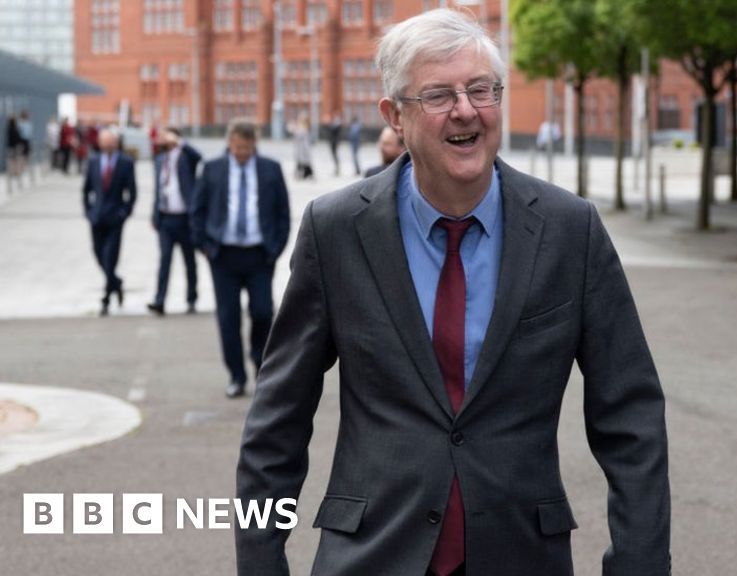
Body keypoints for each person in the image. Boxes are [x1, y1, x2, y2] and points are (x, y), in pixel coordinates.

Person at [235, 9, 670, 576]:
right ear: (394, 115)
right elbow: (278, 421)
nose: (466, 110)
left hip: (522, 554)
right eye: (438, 94)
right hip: (371, 555)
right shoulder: (336, 229)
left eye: (481, 89)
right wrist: (261, 564)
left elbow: (631, 416)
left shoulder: (570, 230)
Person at [191, 120, 290, 398]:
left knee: (262, 312)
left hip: (260, 255)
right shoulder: (213, 169)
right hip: (224, 256)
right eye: (237, 147)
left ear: (254, 144)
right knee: (228, 317)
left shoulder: (270, 169)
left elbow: (282, 211)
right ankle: (236, 375)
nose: (242, 153)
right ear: (229, 143)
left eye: (247, 147)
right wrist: (205, 247)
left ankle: (260, 364)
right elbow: (197, 210)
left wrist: (276, 248)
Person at [148, 128, 203, 316]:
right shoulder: (159, 160)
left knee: (189, 261)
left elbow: (199, 156)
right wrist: (155, 215)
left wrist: (180, 142)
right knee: (164, 260)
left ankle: (191, 298)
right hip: (166, 218)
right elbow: (158, 189)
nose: (163, 138)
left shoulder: (186, 157)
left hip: (185, 219)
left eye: (166, 135)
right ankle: (159, 300)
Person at [82, 128, 137, 316]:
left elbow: (132, 192)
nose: (107, 145)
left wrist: (124, 213)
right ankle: (116, 283)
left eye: (110, 142)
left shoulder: (126, 162)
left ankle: (106, 297)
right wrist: (88, 212)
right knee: (98, 254)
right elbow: (86, 189)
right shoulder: (93, 161)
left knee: (110, 257)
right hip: (97, 218)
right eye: (104, 142)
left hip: (115, 218)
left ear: (116, 143)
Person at [290, 114, 314, 180]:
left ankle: (304, 174)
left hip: (303, 148)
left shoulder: (303, 128)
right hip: (300, 148)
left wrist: (294, 130)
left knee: (303, 162)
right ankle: (304, 174)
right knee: (302, 162)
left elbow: (298, 135)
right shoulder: (301, 127)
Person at [326, 111, 343, 176]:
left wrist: (328, 124)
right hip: (333, 142)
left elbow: (332, 129)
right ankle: (336, 168)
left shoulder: (338, 124)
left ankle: (337, 169)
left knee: (335, 155)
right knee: (334, 155)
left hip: (335, 142)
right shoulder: (335, 123)